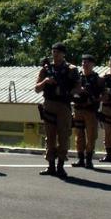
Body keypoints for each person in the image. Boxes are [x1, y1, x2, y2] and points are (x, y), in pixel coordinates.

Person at [35, 43, 79, 178]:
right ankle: (51, 166)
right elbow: (37, 88)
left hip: (64, 105)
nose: (55, 54)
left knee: (64, 136)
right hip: (49, 103)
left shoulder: (71, 69)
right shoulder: (46, 69)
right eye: (53, 51)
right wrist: (45, 81)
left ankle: (60, 166)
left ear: (63, 54)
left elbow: (78, 88)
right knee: (50, 136)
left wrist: (66, 91)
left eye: (58, 52)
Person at [71, 54, 103, 169]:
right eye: (83, 62)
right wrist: (78, 91)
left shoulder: (98, 79)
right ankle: (80, 159)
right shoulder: (77, 78)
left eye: (87, 62)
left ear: (93, 64)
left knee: (91, 136)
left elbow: (104, 95)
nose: (85, 64)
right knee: (78, 135)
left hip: (91, 111)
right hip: (78, 109)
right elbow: (71, 91)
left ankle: (88, 160)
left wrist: (92, 99)